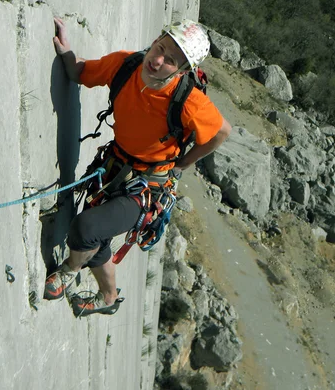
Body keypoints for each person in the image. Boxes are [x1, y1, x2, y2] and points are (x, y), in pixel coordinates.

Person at [44, 17, 231, 317]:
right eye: (159, 47)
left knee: (85, 228)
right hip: (114, 166)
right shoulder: (126, 66)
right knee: (97, 235)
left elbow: (222, 132)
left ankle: (68, 271)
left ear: (184, 70)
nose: (156, 61)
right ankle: (108, 297)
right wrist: (66, 53)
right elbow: (80, 72)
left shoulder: (187, 101)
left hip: (146, 187)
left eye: (170, 60)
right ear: (156, 38)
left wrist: (182, 164)